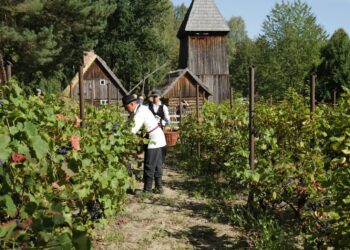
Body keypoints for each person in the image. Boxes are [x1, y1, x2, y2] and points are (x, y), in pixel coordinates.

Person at [122, 94, 166, 194]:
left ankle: (148, 190)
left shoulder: (141, 111)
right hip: (157, 137)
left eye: (126, 107)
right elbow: (128, 123)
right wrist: (119, 129)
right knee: (157, 164)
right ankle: (159, 188)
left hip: (154, 138)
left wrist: (119, 136)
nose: (125, 109)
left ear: (132, 104)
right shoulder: (137, 110)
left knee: (150, 165)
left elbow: (133, 129)